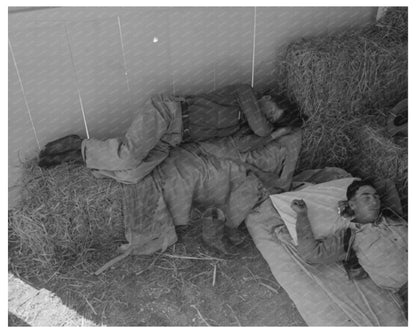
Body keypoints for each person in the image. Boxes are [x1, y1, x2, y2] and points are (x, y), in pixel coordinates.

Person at [38, 84, 303, 184]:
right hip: (168, 113)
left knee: (133, 174)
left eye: (272, 118)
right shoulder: (244, 93)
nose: (267, 116)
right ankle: (79, 146)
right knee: (128, 157)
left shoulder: (244, 127)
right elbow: (261, 128)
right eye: (271, 110)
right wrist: (273, 130)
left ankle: (88, 158)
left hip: (172, 139)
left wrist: (276, 136)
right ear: (268, 97)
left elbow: (237, 148)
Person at [290, 179, 408, 316]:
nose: (375, 201)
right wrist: (302, 215)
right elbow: (311, 254)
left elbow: (387, 183)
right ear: (352, 203)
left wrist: (352, 207)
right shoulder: (349, 236)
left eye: (376, 196)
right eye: (366, 197)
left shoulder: (391, 214)